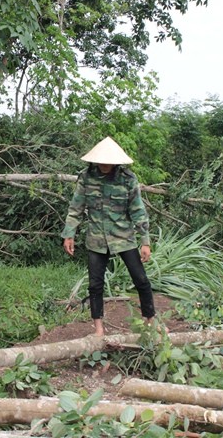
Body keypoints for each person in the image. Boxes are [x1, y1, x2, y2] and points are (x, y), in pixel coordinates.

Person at [61, 137, 157, 336]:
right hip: (96, 239)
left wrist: (145, 241)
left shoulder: (127, 179)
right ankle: (98, 329)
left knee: (141, 280)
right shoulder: (86, 177)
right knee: (95, 285)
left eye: (108, 161)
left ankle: (150, 321)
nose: (104, 165)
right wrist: (69, 234)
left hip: (123, 237)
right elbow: (76, 208)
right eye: (101, 161)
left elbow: (138, 211)